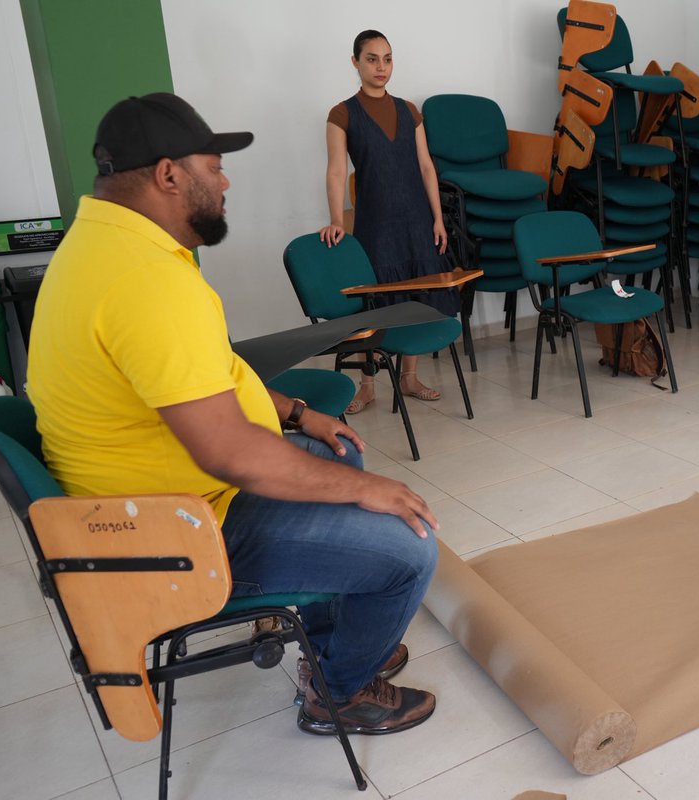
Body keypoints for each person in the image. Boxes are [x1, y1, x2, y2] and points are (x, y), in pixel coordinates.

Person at [26, 92, 441, 736]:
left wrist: (297, 413)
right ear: (169, 175)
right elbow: (229, 452)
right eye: (213, 166)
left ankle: (334, 643)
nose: (225, 180)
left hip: (161, 501)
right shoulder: (145, 281)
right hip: (172, 534)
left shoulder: (104, 246)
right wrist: (372, 492)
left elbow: (201, 374)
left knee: (337, 451)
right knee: (408, 548)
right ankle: (338, 691)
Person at [319, 29, 459, 412]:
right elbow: (334, 172)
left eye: (388, 59)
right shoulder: (342, 113)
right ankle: (367, 383)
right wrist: (335, 220)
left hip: (417, 219)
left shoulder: (409, 110)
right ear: (355, 62)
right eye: (372, 59)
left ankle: (410, 376)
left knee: (417, 296)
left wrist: (437, 219)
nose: (381, 67)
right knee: (376, 301)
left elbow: (427, 167)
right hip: (376, 224)